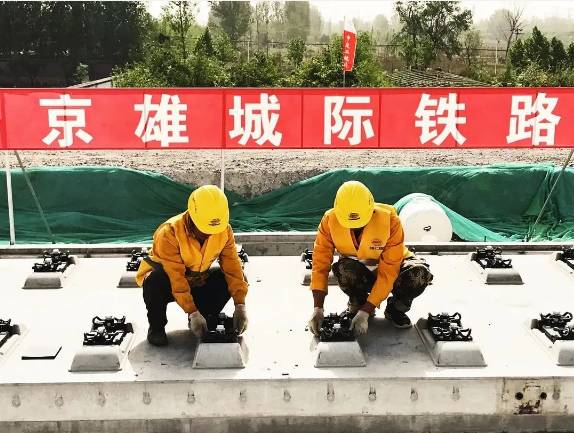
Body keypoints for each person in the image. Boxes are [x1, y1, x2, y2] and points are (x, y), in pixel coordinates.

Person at [307, 181, 433, 337]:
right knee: (343, 268)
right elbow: (320, 263)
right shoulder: (329, 221)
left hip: (394, 274)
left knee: (419, 274)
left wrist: (366, 311)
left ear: (371, 210)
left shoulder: (390, 221)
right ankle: (357, 303)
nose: (355, 227)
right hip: (360, 273)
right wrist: (318, 308)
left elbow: (389, 271)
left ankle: (395, 309)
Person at [136, 185, 248, 346]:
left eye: (213, 230)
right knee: (154, 280)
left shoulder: (224, 231)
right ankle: (156, 328)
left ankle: (206, 317)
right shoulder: (169, 232)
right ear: (192, 218)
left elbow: (232, 267)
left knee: (229, 279)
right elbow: (175, 277)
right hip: (168, 282)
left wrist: (240, 304)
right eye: (204, 229)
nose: (209, 234)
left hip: (196, 279)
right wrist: (192, 312)